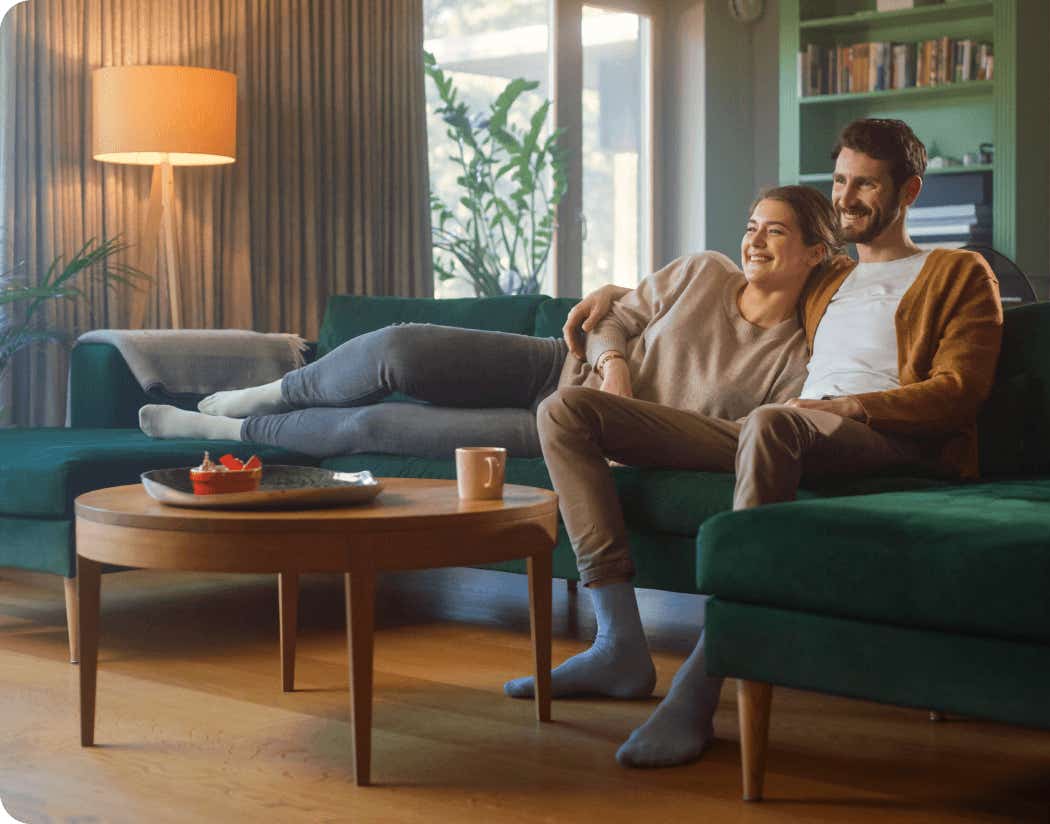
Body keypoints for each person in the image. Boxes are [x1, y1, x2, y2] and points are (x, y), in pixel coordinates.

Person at [505, 118, 1004, 769]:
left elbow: (960, 390)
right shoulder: (829, 275)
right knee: (567, 412)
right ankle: (618, 642)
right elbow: (745, 275)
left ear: (908, 192)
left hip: (885, 439)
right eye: (841, 181)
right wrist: (614, 294)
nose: (847, 198)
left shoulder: (957, 272)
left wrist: (850, 405)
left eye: (867, 185)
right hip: (781, 431)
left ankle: (700, 684)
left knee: (774, 422)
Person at [137, 186, 848, 465]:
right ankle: (272, 393)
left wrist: (623, 418)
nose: (755, 241)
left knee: (374, 432)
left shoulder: (796, 358)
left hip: (573, 429)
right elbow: (615, 319)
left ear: (816, 253)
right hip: (555, 367)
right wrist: (615, 368)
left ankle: (228, 434)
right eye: (752, 225)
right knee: (399, 348)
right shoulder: (704, 271)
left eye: (776, 234)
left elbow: (743, 435)